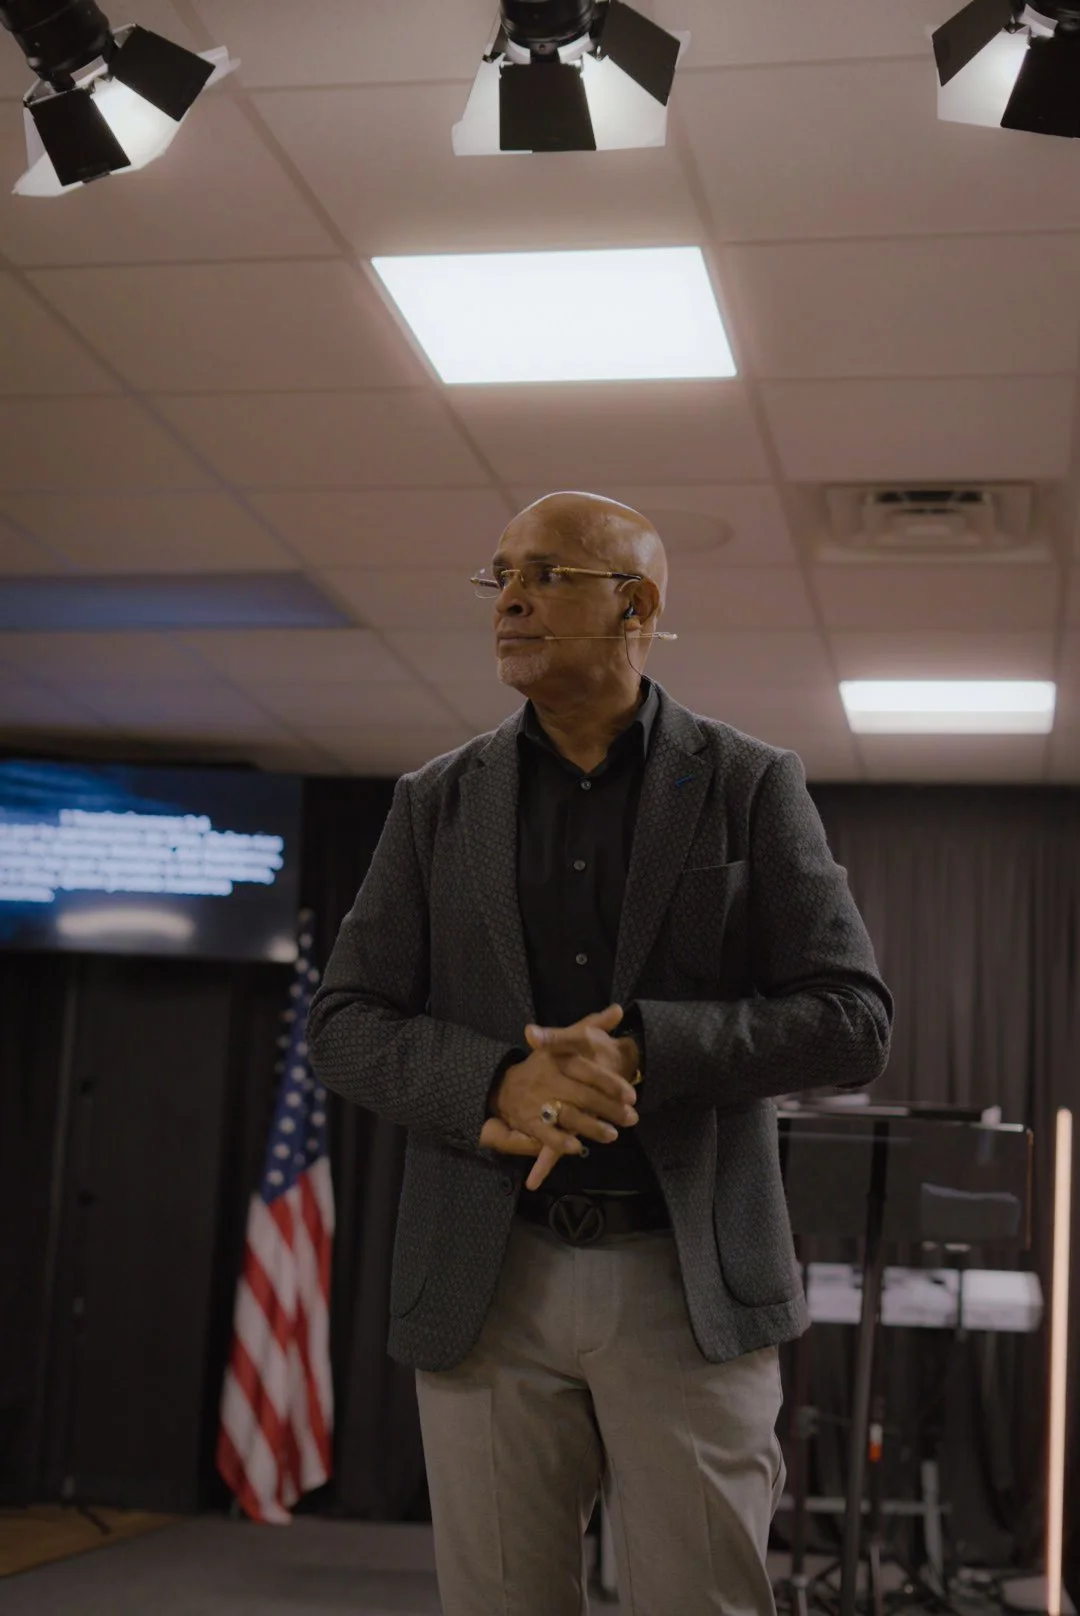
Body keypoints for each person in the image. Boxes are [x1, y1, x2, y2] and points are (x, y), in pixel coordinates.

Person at [308, 491, 892, 1616]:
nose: (512, 598)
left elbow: (851, 1012)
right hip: (488, 1278)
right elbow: (347, 1019)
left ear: (639, 604)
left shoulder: (744, 782)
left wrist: (649, 1043)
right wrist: (493, 1081)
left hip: (688, 1280)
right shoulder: (435, 802)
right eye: (500, 575)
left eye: (547, 573)